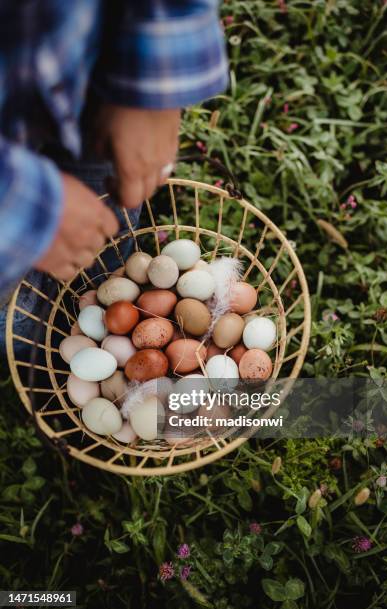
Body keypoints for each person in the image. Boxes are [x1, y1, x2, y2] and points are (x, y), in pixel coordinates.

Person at [0, 0, 228, 355]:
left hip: (88, 59)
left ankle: (87, 322)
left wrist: (154, 78)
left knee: (107, 242)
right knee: (19, 317)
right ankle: (43, 345)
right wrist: (24, 207)